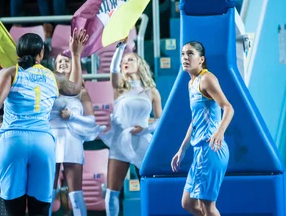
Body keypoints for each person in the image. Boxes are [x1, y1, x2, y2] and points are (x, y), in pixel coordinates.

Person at [0, 29, 88, 216]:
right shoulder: (54, 77)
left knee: (14, 210)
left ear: (18, 53)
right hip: (44, 143)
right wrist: (76, 54)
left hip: (14, 142)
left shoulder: (9, 73)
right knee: (39, 210)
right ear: (41, 54)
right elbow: (76, 88)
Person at [171, 41, 233, 216]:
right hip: (199, 151)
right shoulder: (191, 84)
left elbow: (228, 107)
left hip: (211, 149)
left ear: (201, 59)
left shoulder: (207, 78)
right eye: (183, 54)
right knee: (188, 203)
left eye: (190, 54)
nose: (185, 57)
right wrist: (182, 149)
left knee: (208, 207)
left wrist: (219, 132)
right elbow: (195, 121)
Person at [101, 39, 163, 216]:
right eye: (123, 61)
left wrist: (145, 130)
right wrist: (120, 48)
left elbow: (159, 121)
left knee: (149, 188)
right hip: (120, 144)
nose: (125, 62)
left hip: (142, 142)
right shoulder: (119, 87)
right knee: (112, 191)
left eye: (130, 59)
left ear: (140, 65)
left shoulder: (152, 91)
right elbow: (113, 70)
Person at [51, 52, 103, 216]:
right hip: (51, 140)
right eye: (59, 61)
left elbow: (91, 121)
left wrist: (72, 116)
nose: (63, 64)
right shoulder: (48, 88)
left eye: (66, 61)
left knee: (75, 193)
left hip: (72, 142)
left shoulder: (82, 92)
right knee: (47, 192)